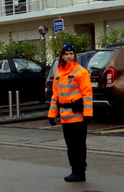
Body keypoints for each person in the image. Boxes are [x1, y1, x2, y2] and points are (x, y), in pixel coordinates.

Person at [48, 43, 93, 182]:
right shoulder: (58, 74)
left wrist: (88, 113)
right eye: (66, 54)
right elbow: (55, 96)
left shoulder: (81, 72)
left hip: (78, 117)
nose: (69, 56)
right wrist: (51, 114)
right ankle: (75, 171)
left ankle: (80, 172)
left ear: (74, 56)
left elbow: (87, 94)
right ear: (61, 56)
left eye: (71, 54)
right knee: (71, 147)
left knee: (78, 146)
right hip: (65, 117)